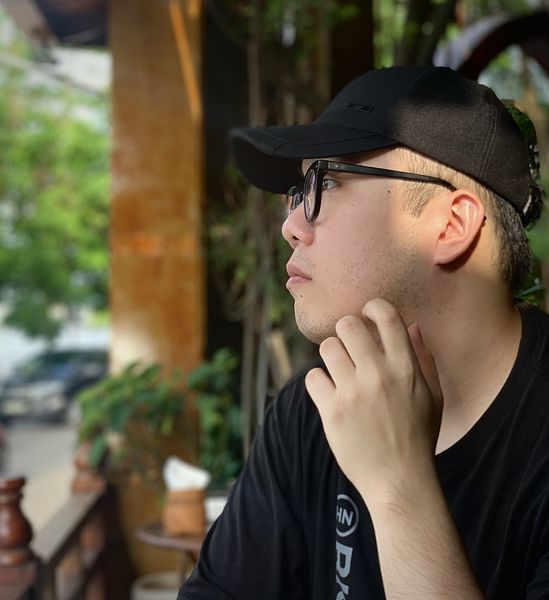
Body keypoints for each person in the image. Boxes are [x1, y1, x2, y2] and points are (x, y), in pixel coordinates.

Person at [178, 65, 548, 599]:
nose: (290, 226)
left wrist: (398, 486)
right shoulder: (314, 408)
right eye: (297, 191)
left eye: (326, 182)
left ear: (451, 225)